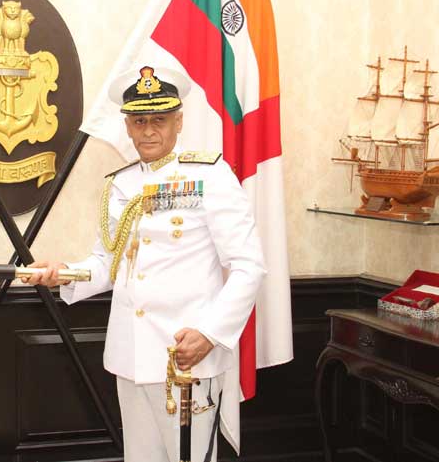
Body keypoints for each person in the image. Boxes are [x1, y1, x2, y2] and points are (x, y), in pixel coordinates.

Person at [26, 66, 265, 462]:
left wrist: (209, 334)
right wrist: (61, 273)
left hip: (185, 356)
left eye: (159, 119)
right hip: (131, 355)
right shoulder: (121, 184)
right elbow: (108, 262)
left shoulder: (209, 175)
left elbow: (248, 265)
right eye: (139, 121)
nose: (149, 131)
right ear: (128, 126)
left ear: (179, 121)